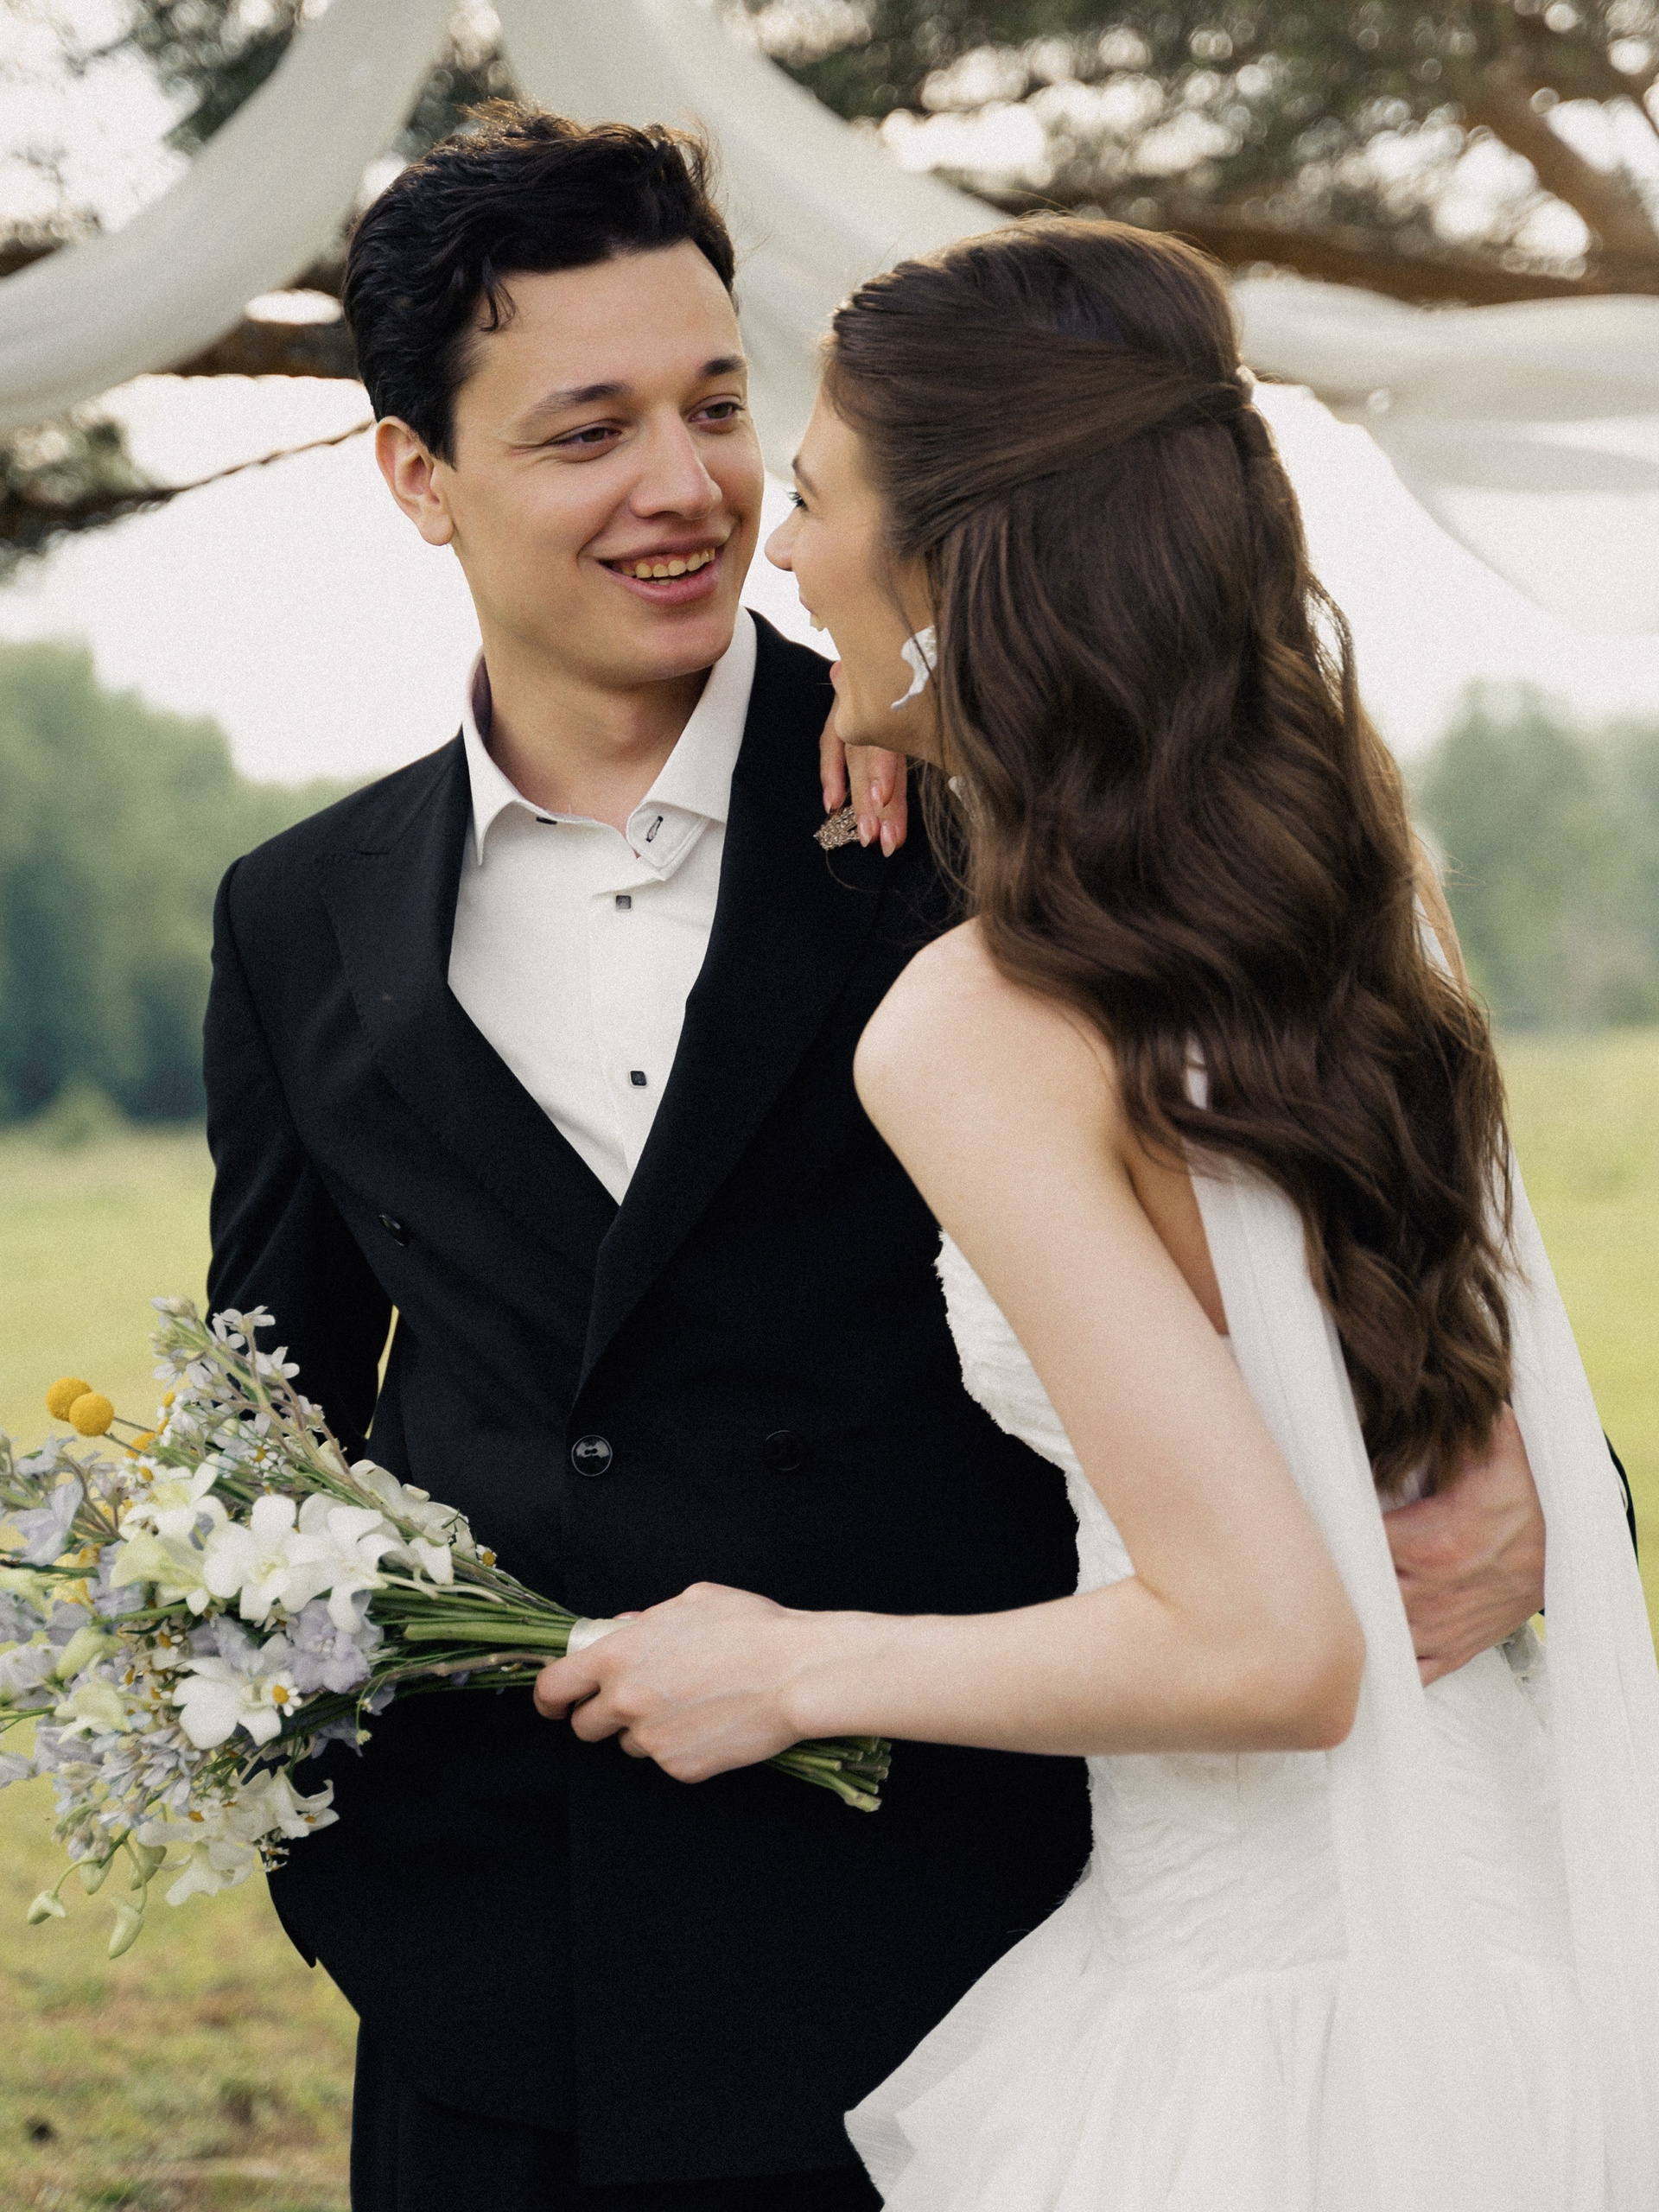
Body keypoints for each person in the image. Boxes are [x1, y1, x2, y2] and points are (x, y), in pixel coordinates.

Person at [203, 106, 1555, 2209]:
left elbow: (1355, 1242)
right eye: (587, 430)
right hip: (499, 2001)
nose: (689, 488)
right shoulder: (298, 915)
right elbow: (268, 1419)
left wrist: (1536, 1489)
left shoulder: (1014, 822)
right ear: (417, 474)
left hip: (965, 1970)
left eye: (717, 404)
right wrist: (325, 1819)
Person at [531, 217, 1659, 2209]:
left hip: (1274, 2030)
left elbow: (1268, 1648)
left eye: (817, 496)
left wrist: (788, 1667)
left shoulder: (978, 1024)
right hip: (1511, 1931)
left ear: (957, 563)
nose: (780, 550)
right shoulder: (1349, 901)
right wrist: (921, 707)